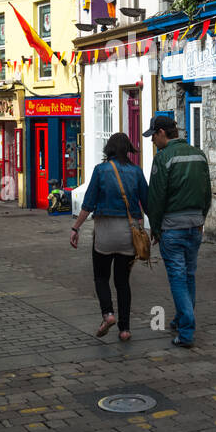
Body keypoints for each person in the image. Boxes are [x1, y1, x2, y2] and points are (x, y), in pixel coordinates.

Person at [69, 132, 149, 342]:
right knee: (123, 282)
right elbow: (148, 203)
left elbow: (88, 204)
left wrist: (76, 228)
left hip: (104, 232)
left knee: (101, 277)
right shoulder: (136, 172)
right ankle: (125, 329)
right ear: (128, 149)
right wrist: (157, 229)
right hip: (128, 233)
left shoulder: (100, 170)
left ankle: (108, 314)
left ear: (109, 149)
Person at [144, 115, 211, 349]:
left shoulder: (163, 158)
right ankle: (182, 318)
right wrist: (202, 217)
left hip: (172, 227)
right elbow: (207, 191)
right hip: (195, 225)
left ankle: (186, 330)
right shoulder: (198, 154)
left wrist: (155, 228)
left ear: (162, 132)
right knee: (189, 274)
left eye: (153, 135)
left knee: (178, 277)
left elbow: (156, 196)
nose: (152, 140)